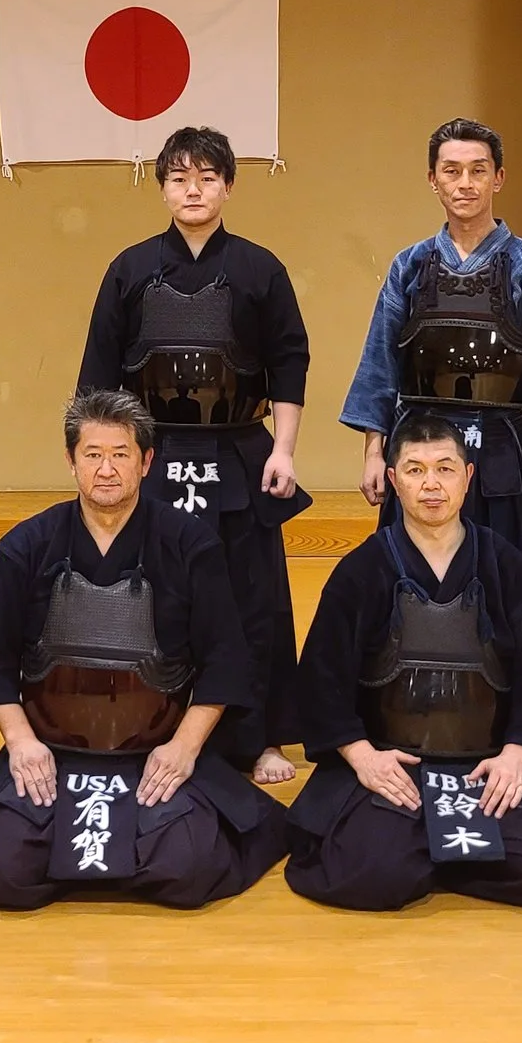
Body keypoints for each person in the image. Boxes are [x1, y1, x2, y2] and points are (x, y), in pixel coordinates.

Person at [0, 389, 286, 910]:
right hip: (51, 755)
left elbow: (223, 662)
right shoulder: (26, 546)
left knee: (185, 872)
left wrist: (184, 749)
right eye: (92, 454)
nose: (106, 469)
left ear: (147, 462)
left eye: (121, 454)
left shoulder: (190, 544)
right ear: (71, 461)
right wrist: (20, 742)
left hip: (155, 751)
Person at [284, 409, 522, 910]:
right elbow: (322, 679)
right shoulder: (360, 570)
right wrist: (362, 758)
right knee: (370, 873)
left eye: (445, 468)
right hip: (394, 763)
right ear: (393, 480)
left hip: (483, 765)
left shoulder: (506, 565)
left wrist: (516, 758)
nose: (431, 484)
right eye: (414, 470)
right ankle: (450, 856)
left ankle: (432, 857)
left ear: (468, 477)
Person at [78, 125, 310, 787]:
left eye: (207, 176)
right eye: (179, 177)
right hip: (154, 452)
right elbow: (98, 377)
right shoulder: (130, 268)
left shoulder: (259, 269)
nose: (194, 189)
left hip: (240, 450)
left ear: (229, 185)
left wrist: (284, 451)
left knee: (252, 600)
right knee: (150, 598)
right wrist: (106, 462)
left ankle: (256, 736)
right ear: (162, 188)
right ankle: (152, 724)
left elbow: (289, 363)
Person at [339, 117, 522, 558]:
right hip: (420, 444)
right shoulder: (409, 266)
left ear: (499, 178)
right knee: (411, 583)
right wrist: (374, 454)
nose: (465, 183)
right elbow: (379, 365)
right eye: (451, 171)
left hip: (504, 447)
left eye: (479, 170)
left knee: (507, 586)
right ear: (433, 180)